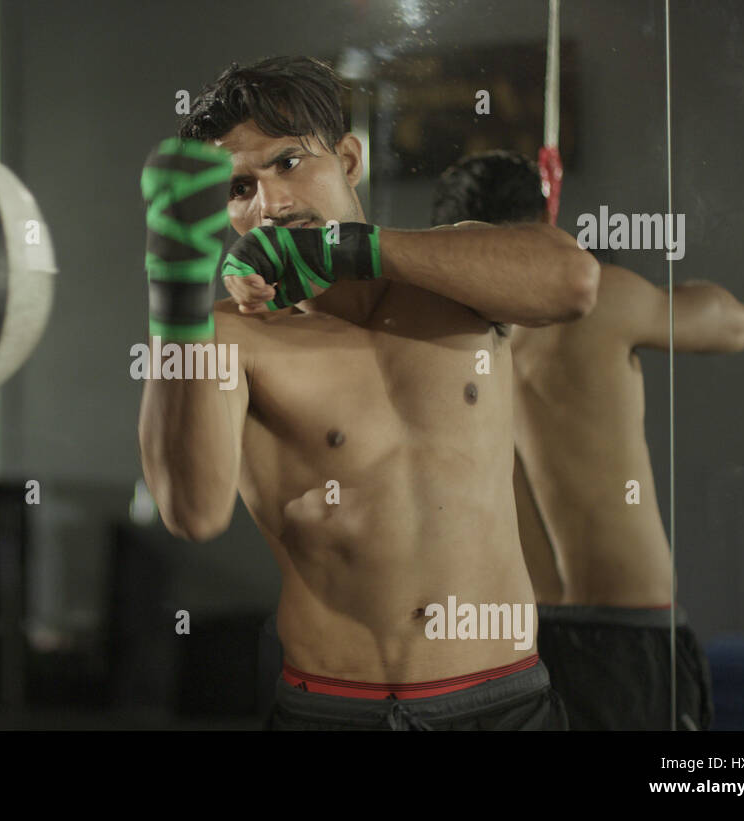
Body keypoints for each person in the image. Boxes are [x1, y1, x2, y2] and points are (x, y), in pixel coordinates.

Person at [138, 57, 599, 730]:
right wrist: (174, 293)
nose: (271, 203)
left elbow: (574, 283)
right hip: (334, 709)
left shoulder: (456, 280)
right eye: (240, 188)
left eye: (289, 163)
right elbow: (191, 510)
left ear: (350, 160)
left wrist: (347, 249)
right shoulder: (229, 337)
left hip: (503, 704)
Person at [430, 150, 744, 729]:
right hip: (629, 635)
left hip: (517, 644)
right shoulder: (604, 300)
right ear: (542, 222)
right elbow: (736, 323)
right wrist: (595, 267)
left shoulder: (439, 338)